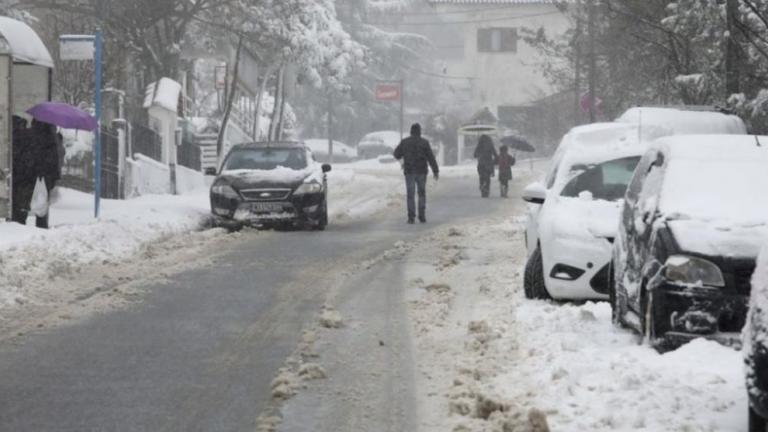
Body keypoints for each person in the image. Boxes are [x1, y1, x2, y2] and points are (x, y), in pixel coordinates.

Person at [393, 123, 439, 224]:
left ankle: (411, 217)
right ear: (419, 131)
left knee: (410, 194)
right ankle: (422, 216)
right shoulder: (424, 143)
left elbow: (396, 154)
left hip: (409, 171)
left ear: (411, 131)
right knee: (421, 193)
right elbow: (431, 157)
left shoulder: (405, 142)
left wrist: (403, 160)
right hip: (422, 171)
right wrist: (435, 170)